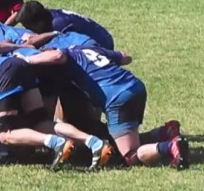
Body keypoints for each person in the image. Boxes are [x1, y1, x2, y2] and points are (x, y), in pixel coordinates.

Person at [22, 46, 188, 169]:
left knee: (130, 156)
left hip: (117, 98)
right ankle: (167, 131)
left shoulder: (62, 55)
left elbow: (57, 56)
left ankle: (171, 146)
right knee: (125, 138)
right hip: (135, 86)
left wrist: (27, 60)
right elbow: (124, 57)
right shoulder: (85, 49)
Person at [16, 1, 114, 50]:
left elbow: (65, 49)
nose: (28, 29)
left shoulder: (58, 24)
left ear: (39, 21)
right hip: (101, 36)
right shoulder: (48, 16)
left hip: (102, 42)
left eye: (29, 26)